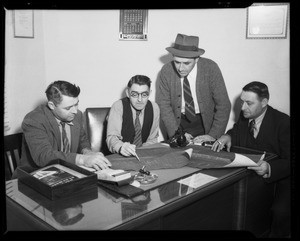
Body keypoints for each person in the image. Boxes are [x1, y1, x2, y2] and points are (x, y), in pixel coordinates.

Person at [212, 81, 290, 238]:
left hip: (281, 178)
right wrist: (227, 136)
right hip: (251, 177)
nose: (242, 108)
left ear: (264, 102)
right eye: (242, 101)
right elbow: (236, 131)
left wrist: (269, 168)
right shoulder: (245, 115)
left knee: (280, 212)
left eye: (249, 103)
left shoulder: (283, 122)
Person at [14, 80, 111, 178]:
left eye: (76, 104)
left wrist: (88, 152)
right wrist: (82, 159)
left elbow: (82, 141)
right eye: (68, 108)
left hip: (66, 173)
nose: (75, 111)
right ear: (52, 105)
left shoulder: (77, 115)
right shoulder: (34, 120)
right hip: (34, 175)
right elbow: (44, 156)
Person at [157, 33, 231, 144]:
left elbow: (224, 105)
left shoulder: (210, 68)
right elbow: (164, 106)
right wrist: (177, 133)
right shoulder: (166, 71)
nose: (181, 68)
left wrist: (213, 135)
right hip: (177, 123)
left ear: (196, 59)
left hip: (205, 123)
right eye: (177, 62)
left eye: (187, 63)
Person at [106, 75, 160, 157]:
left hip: (142, 155)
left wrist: (141, 151)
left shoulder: (154, 108)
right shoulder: (118, 106)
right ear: (127, 93)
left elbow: (153, 139)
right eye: (134, 94)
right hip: (119, 155)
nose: (139, 100)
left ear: (150, 93)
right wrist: (121, 147)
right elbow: (111, 138)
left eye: (144, 94)